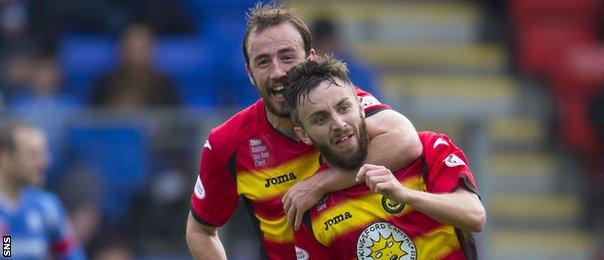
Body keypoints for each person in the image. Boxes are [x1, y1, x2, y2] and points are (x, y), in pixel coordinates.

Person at [186, 3, 423, 259]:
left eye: (287, 57)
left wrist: (319, 184)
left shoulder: (343, 106)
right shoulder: (227, 142)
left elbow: (407, 140)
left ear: (311, 59)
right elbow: (200, 231)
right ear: (250, 74)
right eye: (263, 62)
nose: (278, 72)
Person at [284, 57, 486, 259]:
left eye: (344, 108)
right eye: (321, 119)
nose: (339, 123)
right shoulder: (308, 209)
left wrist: (405, 195)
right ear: (304, 135)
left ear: (361, 108)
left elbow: (474, 216)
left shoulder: (428, 149)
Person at [0, 118, 86, 259]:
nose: (44, 161)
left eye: (43, 153)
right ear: (3, 157)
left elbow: (72, 255)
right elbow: (6, 251)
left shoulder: (46, 207)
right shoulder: (5, 221)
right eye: (33, 155)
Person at [89, 23, 180, 110]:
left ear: (152, 51)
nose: (135, 54)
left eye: (141, 49)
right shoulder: (105, 83)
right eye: (131, 49)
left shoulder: (166, 86)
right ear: (121, 50)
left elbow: (172, 119)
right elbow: (92, 120)